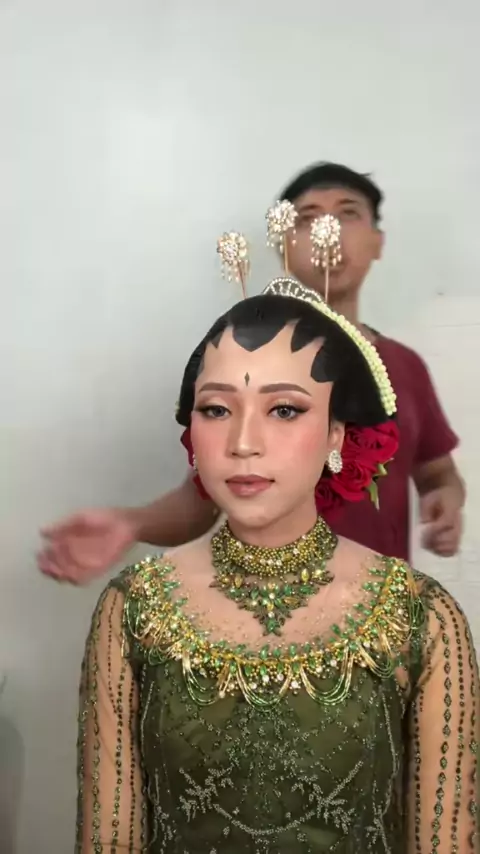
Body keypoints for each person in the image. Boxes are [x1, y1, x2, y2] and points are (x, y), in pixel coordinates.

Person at [76, 276, 478, 853]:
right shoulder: (134, 608)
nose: (243, 442)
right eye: (217, 409)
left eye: (285, 409)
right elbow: (109, 840)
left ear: (337, 433)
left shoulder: (419, 616)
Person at [40, 163, 464, 585]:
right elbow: (200, 502)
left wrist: (444, 498)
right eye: (307, 218)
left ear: (377, 242)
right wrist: (131, 523)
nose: (328, 230)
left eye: (348, 213)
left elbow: (438, 472)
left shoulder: (406, 367)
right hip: (267, 612)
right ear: (283, 244)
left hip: (383, 610)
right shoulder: (241, 363)